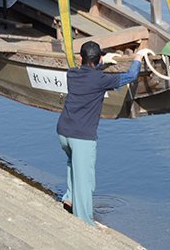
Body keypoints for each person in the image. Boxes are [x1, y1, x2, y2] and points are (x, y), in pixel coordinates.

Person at [57, 41, 143, 227]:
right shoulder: (101, 80)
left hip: (63, 132)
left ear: (81, 58)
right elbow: (131, 75)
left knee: (72, 165)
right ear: (99, 59)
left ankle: (69, 199)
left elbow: (89, 73)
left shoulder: (72, 74)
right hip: (82, 137)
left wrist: (102, 64)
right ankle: (85, 221)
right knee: (85, 179)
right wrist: (138, 58)